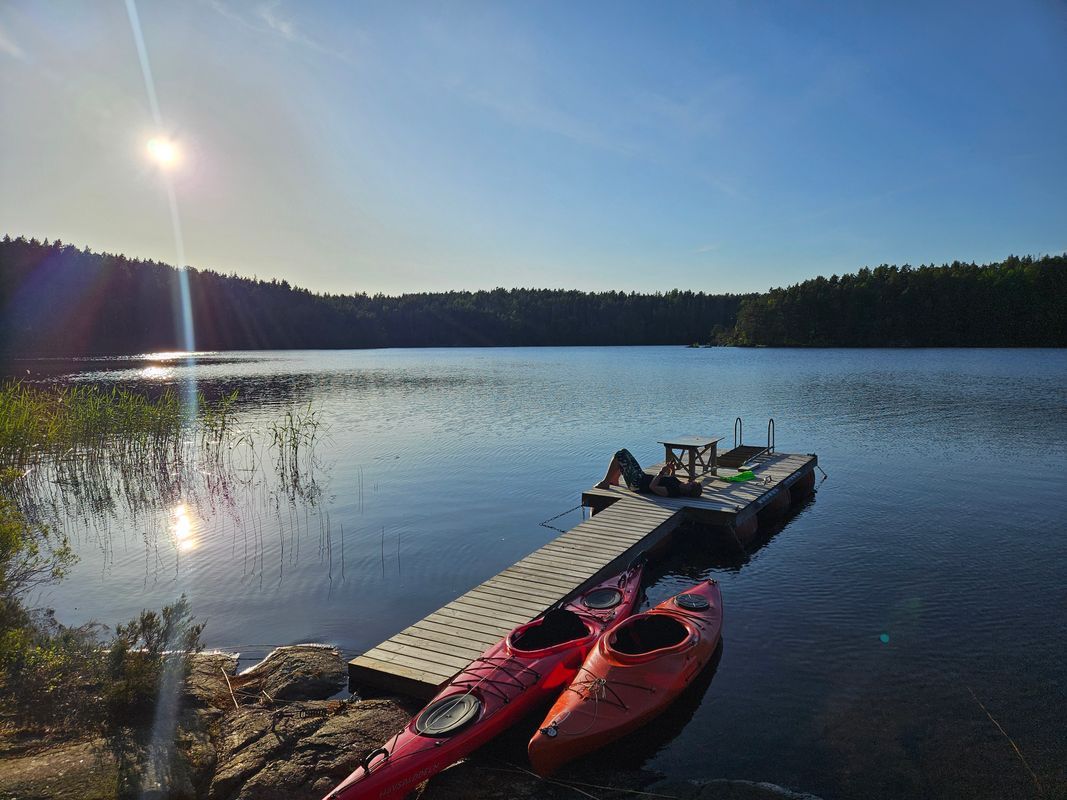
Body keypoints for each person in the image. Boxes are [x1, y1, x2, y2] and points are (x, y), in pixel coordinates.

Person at [596, 448, 703, 498]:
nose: (690, 481)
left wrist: (661, 472)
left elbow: (653, 486)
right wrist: (671, 469)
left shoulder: (673, 491)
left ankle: (606, 482)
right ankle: (614, 480)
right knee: (624, 452)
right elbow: (671, 479)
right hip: (642, 476)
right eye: (692, 482)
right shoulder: (679, 484)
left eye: (692, 484)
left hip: (637, 484)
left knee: (619, 456)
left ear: (689, 491)